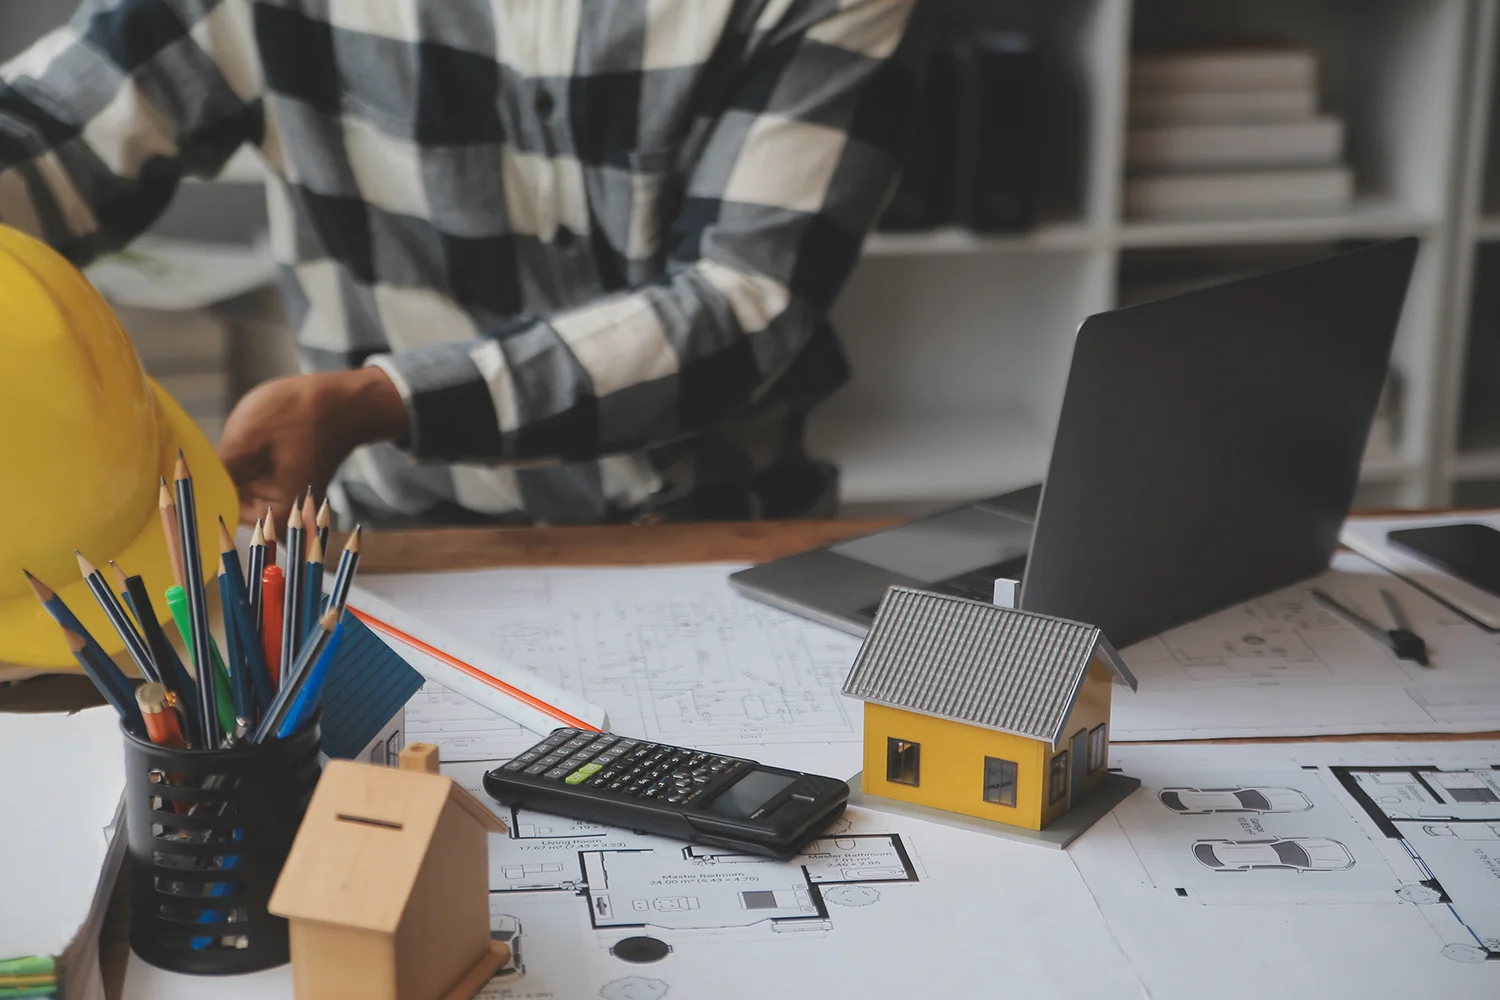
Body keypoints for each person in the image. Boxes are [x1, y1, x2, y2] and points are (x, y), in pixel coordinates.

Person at [0, 0, 923, 528]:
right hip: (390, 541)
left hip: (720, 529)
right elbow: (46, 142)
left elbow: (745, 302)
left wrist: (380, 399)